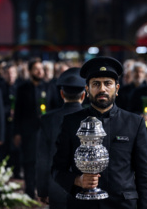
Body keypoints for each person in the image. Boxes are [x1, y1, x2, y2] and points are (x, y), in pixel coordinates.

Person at [52, 56, 147, 209]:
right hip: (83, 205)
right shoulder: (71, 122)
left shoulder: (135, 123)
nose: (102, 89)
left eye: (108, 84)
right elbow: (57, 170)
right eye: (96, 84)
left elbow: (144, 176)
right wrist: (78, 180)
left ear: (117, 89)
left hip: (123, 204)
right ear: (87, 89)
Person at [36, 67, 86, 208]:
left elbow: (42, 159)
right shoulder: (93, 119)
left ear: (61, 94)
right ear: (83, 95)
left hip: (57, 187)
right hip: (84, 187)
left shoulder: (48, 119)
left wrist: (42, 190)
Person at [13, 58, 59, 198]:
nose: (40, 71)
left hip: (46, 132)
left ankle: (45, 191)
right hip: (28, 131)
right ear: (30, 71)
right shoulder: (22, 89)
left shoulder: (49, 87)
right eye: (36, 69)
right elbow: (18, 112)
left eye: (41, 69)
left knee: (46, 162)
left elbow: (56, 108)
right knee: (29, 161)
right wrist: (17, 133)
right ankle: (29, 190)